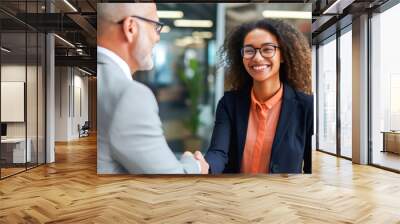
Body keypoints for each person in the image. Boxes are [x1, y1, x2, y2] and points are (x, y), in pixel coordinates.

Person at [97, 3, 209, 174]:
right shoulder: (130, 95)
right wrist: (194, 165)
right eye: (155, 26)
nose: (157, 37)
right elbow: (169, 181)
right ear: (130, 28)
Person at [205, 19, 313, 174]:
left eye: (267, 49)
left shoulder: (306, 107)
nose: (257, 57)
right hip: (236, 195)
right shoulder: (229, 103)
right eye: (249, 50)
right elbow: (218, 153)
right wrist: (204, 167)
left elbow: (311, 168)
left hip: (283, 196)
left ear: (282, 55)